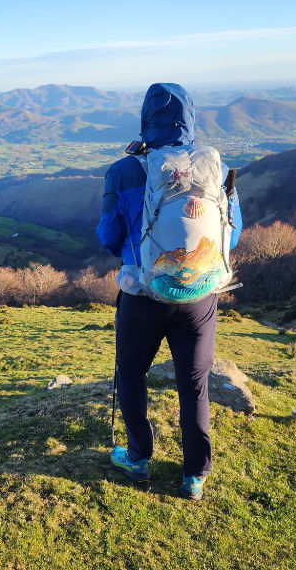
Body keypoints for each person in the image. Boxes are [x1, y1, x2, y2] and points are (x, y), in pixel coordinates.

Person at [96, 82, 242, 500]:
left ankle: (138, 458)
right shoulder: (214, 169)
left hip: (142, 295)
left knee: (132, 373)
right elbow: (231, 235)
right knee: (193, 383)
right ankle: (194, 474)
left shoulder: (124, 171)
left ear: (146, 119)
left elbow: (108, 235)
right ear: (191, 119)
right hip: (198, 298)